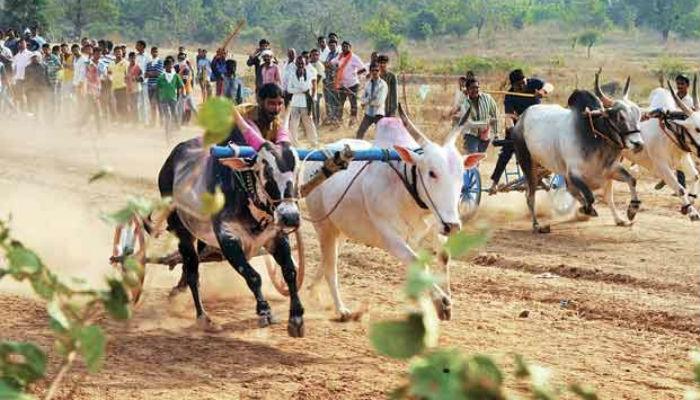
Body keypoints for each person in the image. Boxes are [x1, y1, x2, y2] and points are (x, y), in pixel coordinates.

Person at [490, 69, 548, 194]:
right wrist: (512, 130)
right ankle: (494, 183)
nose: (522, 86)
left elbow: (549, 85)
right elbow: (509, 116)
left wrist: (543, 91)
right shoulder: (510, 96)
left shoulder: (533, 83)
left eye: (523, 83)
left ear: (526, 79)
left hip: (538, 125)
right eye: (518, 85)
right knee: (507, 150)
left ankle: (542, 172)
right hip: (519, 126)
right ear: (513, 86)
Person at [228, 83, 290, 150]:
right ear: (260, 101)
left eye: (280, 103)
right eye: (271, 103)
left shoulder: (277, 126)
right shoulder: (241, 113)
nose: (276, 109)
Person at [458, 77, 499, 154]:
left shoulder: (487, 98)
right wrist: (487, 123)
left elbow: (495, 115)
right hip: (470, 134)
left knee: (478, 158)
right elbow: (469, 123)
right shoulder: (464, 103)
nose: (475, 90)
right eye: (472, 88)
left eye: (477, 87)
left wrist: (496, 134)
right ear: (467, 89)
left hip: (485, 135)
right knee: (472, 157)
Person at [331, 41, 366, 126]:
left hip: (353, 84)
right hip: (342, 84)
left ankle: (352, 122)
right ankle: (339, 121)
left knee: (353, 103)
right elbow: (332, 63)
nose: (344, 48)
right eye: (343, 47)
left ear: (350, 47)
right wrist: (334, 70)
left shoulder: (354, 57)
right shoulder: (339, 56)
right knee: (340, 103)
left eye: (346, 47)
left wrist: (355, 74)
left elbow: (363, 68)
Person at [287, 55, 318, 146]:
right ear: (296, 64)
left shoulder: (310, 73)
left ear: (305, 64)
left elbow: (308, 87)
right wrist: (301, 90)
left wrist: (301, 89)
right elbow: (289, 89)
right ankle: (294, 143)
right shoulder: (292, 74)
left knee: (308, 122)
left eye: (302, 63)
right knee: (293, 123)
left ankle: (313, 142)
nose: (300, 65)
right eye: (299, 63)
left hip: (306, 102)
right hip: (295, 102)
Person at [355, 62, 388, 140]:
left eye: (377, 70)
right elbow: (363, 98)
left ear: (379, 71)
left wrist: (366, 102)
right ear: (370, 71)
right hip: (369, 113)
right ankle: (358, 149)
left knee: (381, 135)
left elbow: (378, 102)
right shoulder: (368, 84)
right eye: (373, 70)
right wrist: (365, 101)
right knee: (360, 132)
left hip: (379, 114)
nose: (375, 72)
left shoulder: (383, 85)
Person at [156, 58, 184, 133]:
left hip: (173, 98)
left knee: (174, 113)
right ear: (165, 67)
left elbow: (180, 86)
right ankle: (167, 130)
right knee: (167, 114)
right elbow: (157, 88)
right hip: (163, 98)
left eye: (171, 65)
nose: (170, 66)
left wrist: (178, 96)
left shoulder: (176, 76)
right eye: (168, 65)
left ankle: (177, 127)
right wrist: (158, 98)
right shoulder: (161, 77)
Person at [24, 53, 50, 118]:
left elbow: (47, 77)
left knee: (44, 102)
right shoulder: (27, 67)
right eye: (33, 57)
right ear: (31, 59)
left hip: (43, 87)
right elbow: (26, 78)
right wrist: (26, 88)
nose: (35, 59)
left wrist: (49, 86)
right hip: (32, 88)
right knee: (34, 103)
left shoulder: (44, 66)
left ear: (39, 58)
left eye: (36, 57)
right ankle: (36, 116)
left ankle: (45, 116)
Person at [11, 39, 33, 110]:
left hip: (27, 78)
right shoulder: (16, 56)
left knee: (27, 95)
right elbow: (14, 68)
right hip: (18, 79)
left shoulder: (30, 54)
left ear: (26, 44)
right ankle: (22, 111)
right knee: (19, 96)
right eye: (20, 43)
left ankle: (29, 111)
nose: (22, 45)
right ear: (18, 45)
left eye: (23, 43)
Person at [108, 47, 129, 122]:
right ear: (114, 53)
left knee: (124, 104)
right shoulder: (111, 63)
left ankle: (125, 120)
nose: (118, 54)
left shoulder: (126, 63)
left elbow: (128, 75)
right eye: (116, 52)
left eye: (119, 52)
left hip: (123, 87)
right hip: (114, 87)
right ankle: (120, 120)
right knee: (117, 105)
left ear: (122, 53)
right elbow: (109, 73)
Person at [322, 38, 340, 125]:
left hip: (336, 80)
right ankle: (331, 117)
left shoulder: (339, 55)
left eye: (333, 45)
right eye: (330, 45)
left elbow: (339, 66)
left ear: (336, 45)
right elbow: (326, 65)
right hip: (328, 79)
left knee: (336, 99)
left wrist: (332, 67)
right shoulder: (329, 54)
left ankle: (336, 117)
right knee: (329, 99)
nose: (332, 47)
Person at [175, 52, 197, 123]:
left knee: (180, 107)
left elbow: (184, 81)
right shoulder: (177, 67)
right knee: (192, 107)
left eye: (183, 58)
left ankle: (178, 123)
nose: (181, 60)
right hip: (185, 91)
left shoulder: (186, 69)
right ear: (178, 59)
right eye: (180, 58)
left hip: (185, 90)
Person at [145, 46, 164, 126]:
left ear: (158, 52)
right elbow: (146, 74)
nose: (154, 53)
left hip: (157, 86)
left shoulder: (160, 62)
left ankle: (160, 122)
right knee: (152, 105)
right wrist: (152, 73)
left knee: (157, 104)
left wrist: (150, 74)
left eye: (156, 51)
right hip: (149, 86)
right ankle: (154, 122)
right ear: (151, 52)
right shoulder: (149, 63)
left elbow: (158, 73)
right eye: (153, 51)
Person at [42, 44, 62, 115]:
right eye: (43, 49)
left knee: (53, 97)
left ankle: (55, 113)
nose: (45, 51)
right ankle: (47, 112)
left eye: (46, 49)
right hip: (45, 81)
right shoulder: (43, 58)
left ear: (49, 49)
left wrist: (50, 69)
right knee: (46, 97)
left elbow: (60, 67)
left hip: (53, 81)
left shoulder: (54, 57)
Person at [134, 40, 150, 124]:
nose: (136, 47)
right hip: (136, 82)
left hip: (145, 82)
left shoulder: (147, 57)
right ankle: (139, 120)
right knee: (138, 101)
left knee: (145, 102)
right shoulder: (136, 56)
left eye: (138, 45)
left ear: (143, 46)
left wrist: (142, 77)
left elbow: (148, 69)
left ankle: (146, 121)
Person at [309, 48, 325, 125]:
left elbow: (318, 78)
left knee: (315, 106)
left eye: (317, 55)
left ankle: (317, 122)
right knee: (311, 106)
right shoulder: (309, 64)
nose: (315, 56)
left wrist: (311, 87)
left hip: (317, 89)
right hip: (309, 89)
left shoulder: (319, 65)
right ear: (310, 55)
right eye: (313, 55)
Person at [125, 51, 143, 124]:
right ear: (129, 58)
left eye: (134, 57)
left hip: (136, 89)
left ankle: (137, 122)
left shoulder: (138, 67)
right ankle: (133, 122)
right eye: (131, 57)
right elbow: (126, 77)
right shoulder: (127, 67)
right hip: (129, 89)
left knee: (135, 106)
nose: (132, 59)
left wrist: (135, 79)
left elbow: (142, 78)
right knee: (131, 106)